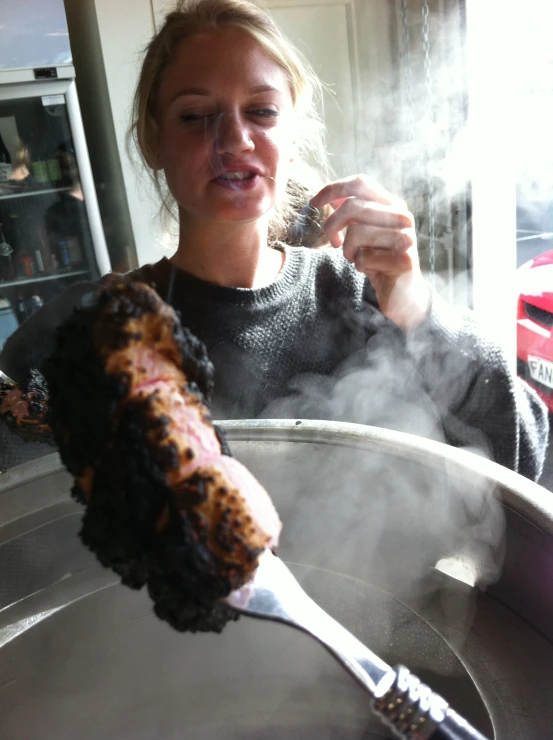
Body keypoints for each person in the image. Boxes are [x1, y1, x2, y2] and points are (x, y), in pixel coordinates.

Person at [0, 0, 548, 480]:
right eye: (194, 116)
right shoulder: (89, 328)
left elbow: (520, 464)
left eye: (261, 111)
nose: (235, 139)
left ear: (290, 134)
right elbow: (26, 531)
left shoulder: (363, 300)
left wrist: (420, 311)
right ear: (153, 142)